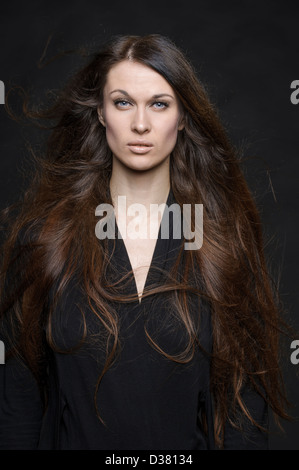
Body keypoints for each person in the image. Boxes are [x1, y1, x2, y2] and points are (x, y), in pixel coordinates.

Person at [0, 34, 289, 450]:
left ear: (183, 117)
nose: (140, 124)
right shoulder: (48, 240)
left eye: (159, 103)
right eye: (122, 102)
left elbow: (246, 412)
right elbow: (19, 406)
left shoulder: (218, 243)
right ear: (100, 113)